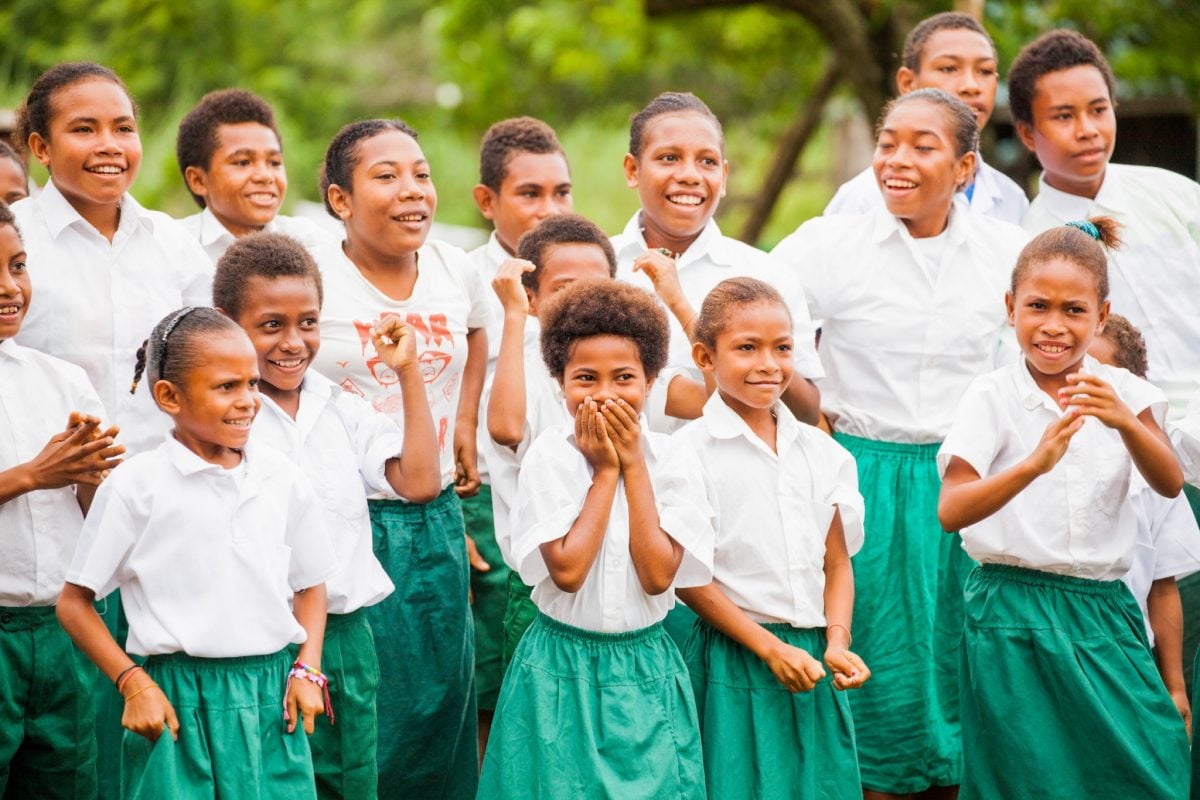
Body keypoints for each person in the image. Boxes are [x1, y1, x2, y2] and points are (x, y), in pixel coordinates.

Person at [772, 88, 1027, 799]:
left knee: (958, 656)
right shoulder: (830, 244)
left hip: (967, 478)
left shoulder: (1007, 255)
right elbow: (757, 317)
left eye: (923, 146)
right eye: (889, 142)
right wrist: (807, 403)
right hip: (858, 474)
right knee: (868, 655)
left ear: (966, 167)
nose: (898, 159)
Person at [11, 61, 213, 799]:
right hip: (50, 529)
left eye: (122, 127)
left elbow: (206, 373)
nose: (109, 146)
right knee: (71, 746)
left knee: (164, 736)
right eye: (82, 129)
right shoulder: (17, 246)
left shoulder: (170, 246)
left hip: (165, 526)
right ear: (38, 147)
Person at [937, 217, 1190, 799]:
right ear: (1010, 308)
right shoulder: (992, 395)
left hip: (1105, 609)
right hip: (1010, 609)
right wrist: (1031, 465)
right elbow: (951, 509)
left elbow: (1170, 482)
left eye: (1074, 311)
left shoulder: (1126, 393)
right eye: (1038, 307)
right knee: (1023, 778)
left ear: (1102, 314)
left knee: (1150, 766)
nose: (1054, 326)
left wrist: (1124, 420)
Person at [55, 307, 338, 800]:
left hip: (272, 699)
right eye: (226, 387)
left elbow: (311, 584)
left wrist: (307, 668)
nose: (248, 401)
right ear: (169, 396)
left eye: (252, 384)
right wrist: (132, 682)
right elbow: (74, 602)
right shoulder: (136, 486)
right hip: (175, 700)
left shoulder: (281, 476)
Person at [213, 231, 441, 799]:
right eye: (271, 325)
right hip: (254, 645)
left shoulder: (340, 405)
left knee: (349, 783)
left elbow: (419, 482)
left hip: (344, 639)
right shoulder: (217, 418)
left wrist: (407, 373)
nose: (293, 342)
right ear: (226, 323)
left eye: (308, 323)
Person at [477, 278, 711, 799]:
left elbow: (656, 578)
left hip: (645, 667)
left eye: (624, 377)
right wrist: (606, 473)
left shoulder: (674, 461)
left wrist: (632, 466)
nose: (605, 394)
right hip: (558, 670)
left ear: (651, 381)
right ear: (559, 382)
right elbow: (567, 569)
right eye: (585, 378)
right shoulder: (549, 457)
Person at [311, 118, 487, 799]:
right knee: (357, 714)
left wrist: (463, 419)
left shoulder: (454, 268)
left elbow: (477, 330)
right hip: (342, 519)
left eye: (420, 173)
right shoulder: (314, 278)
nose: (412, 190)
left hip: (435, 519)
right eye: (386, 176)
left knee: (440, 711)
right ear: (340, 200)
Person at [672, 277, 869, 799]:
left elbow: (837, 564)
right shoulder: (686, 454)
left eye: (783, 348)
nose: (769, 363)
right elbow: (689, 578)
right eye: (746, 348)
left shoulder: (825, 454)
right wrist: (768, 647)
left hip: (812, 661)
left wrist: (837, 640)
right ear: (704, 356)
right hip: (736, 653)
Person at [0, 199, 124, 798]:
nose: (9, 287)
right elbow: (34, 477)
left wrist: (90, 477)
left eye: (19, 266)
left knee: (68, 782)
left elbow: (89, 514)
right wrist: (29, 474)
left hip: (60, 629)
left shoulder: (61, 380)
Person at [1012, 29, 1200, 421]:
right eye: (1064, 116)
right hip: (1126, 440)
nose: (1088, 129)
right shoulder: (1024, 242)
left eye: (1098, 110)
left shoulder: (1174, 195)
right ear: (1028, 133)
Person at [613, 91, 823, 431]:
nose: (690, 175)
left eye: (707, 162)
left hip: (727, 480)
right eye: (669, 158)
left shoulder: (767, 276)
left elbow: (807, 412)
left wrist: (760, 350)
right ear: (632, 169)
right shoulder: (599, 268)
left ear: (723, 177)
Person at [466, 116, 573, 747]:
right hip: (482, 496)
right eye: (529, 194)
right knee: (486, 683)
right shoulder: (460, 277)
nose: (548, 209)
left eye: (561, 193)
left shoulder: (580, 274)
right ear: (488, 201)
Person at [1088, 314, 1200, 735]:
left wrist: (1174, 686)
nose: (1086, 384)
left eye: (1102, 375)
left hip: (1129, 653)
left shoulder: (1151, 476)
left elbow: (1163, 584)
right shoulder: (1035, 458)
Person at [826, 12, 1027, 223]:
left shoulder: (1011, 200)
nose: (971, 85)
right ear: (908, 83)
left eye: (984, 71)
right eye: (948, 68)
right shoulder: (860, 201)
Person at [175, 88, 334, 264]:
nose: (265, 176)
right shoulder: (175, 246)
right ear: (198, 180)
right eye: (243, 162)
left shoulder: (311, 243)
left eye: (274, 162)